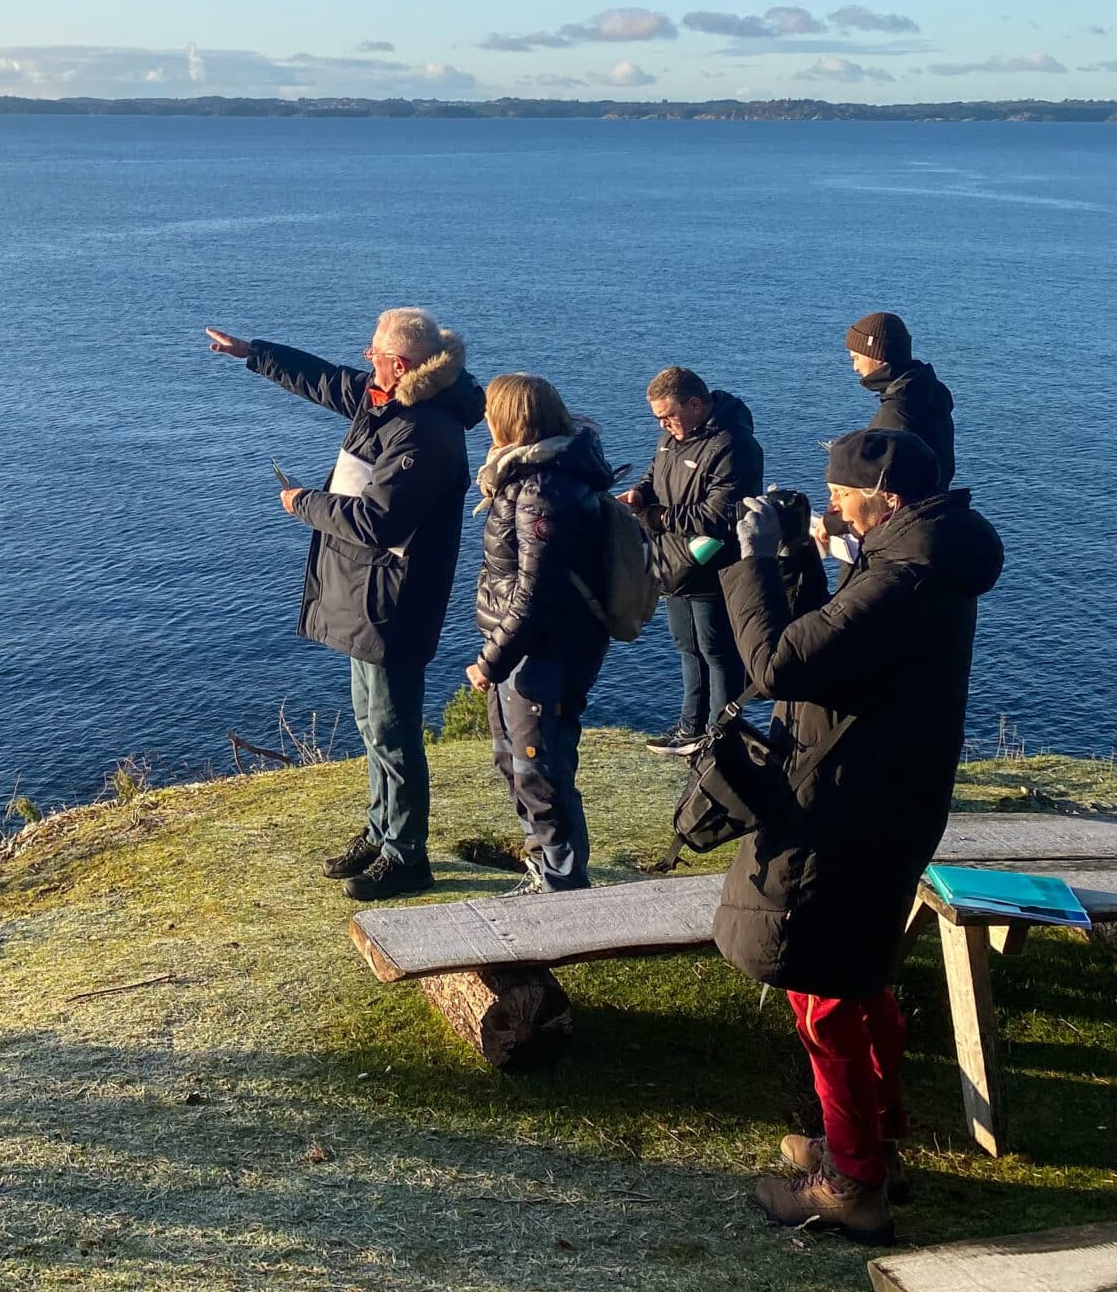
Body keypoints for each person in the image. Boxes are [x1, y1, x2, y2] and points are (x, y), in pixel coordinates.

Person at [718, 428, 1004, 1242]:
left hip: (849, 804)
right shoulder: (921, 562)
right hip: (892, 797)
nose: (834, 501)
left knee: (824, 991)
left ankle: (851, 1183)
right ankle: (873, 1139)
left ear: (884, 495)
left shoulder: (901, 579)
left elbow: (774, 664)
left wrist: (751, 563)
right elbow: (837, 650)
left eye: (843, 491)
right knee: (862, 972)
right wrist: (822, 559)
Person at [206, 309, 485, 899]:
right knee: (372, 722)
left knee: (393, 727)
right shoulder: (392, 399)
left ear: (401, 364)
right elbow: (325, 379)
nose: (365, 358)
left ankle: (407, 854)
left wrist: (301, 502)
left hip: (394, 600)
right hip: (368, 593)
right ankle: (382, 832)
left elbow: (380, 519)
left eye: (375, 353)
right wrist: (253, 352)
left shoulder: (422, 430)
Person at [464, 374, 613, 891]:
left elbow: (535, 593)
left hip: (544, 652)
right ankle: (547, 869)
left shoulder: (541, 488)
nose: (484, 420)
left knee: (540, 770)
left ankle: (565, 887)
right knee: (517, 762)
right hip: (536, 647)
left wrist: (491, 660)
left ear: (511, 419)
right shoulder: (536, 475)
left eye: (490, 411)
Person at [622, 367, 762, 752]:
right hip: (673, 563)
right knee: (688, 646)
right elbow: (656, 475)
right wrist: (638, 494)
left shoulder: (733, 445)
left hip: (714, 566)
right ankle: (690, 728)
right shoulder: (672, 438)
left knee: (717, 651)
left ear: (696, 404)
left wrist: (657, 517)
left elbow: (719, 515)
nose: (664, 425)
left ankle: (722, 735)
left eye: (669, 415)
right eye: (659, 419)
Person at [846, 311, 956, 488]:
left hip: (904, 514)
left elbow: (883, 488)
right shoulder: (927, 395)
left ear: (878, 355)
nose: (855, 367)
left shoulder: (896, 413)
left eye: (857, 358)